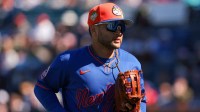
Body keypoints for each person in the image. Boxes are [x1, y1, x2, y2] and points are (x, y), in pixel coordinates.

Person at [34, 2, 146, 112]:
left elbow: (142, 100)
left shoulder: (132, 63)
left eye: (121, 27)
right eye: (112, 26)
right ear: (94, 30)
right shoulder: (69, 60)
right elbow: (42, 88)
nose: (118, 32)